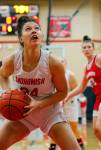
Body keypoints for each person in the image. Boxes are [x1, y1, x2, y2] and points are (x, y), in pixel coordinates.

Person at [0, 16, 81, 150]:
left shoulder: (53, 63)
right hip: (23, 114)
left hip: (49, 113)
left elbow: (62, 93)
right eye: (28, 29)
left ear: (41, 35)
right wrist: (7, 92)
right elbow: (2, 75)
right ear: (21, 39)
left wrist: (39, 104)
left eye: (37, 28)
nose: (34, 31)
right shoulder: (13, 60)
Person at [64, 35, 101, 150]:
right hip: (100, 97)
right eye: (84, 48)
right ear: (82, 51)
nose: (86, 49)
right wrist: (68, 96)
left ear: (93, 48)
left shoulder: (99, 58)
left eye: (89, 47)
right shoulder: (86, 68)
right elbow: (81, 88)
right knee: (96, 130)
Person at [49, 58, 85, 150]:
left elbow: (77, 91)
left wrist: (66, 97)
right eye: (59, 62)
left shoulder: (70, 75)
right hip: (58, 104)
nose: (61, 64)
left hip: (71, 104)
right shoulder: (52, 75)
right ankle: (52, 147)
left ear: (66, 64)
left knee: (73, 128)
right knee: (55, 127)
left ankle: (81, 146)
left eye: (63, 62)